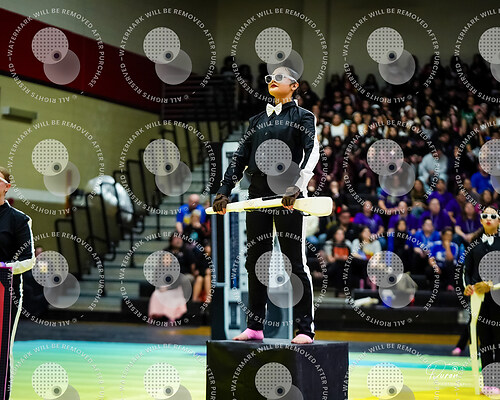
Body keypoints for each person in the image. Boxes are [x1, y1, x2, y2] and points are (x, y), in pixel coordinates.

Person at [213, 66, 320, 344]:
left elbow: (313, 152)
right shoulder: (256, 120)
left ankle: (304, 329)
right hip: (257, 197)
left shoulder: (303, 117)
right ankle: (255, 327)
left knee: (295, 263)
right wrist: (224, 189)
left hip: (289, 198)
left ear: (294, 86)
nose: (272, 80)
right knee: (255, 262)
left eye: (279, 77)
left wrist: (297, 186)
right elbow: (240, 157)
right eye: (270, 77)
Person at [0, 167, 35, 399]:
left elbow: (28, 260)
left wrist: (4, 267)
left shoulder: (19, 220)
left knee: (2, 348)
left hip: (6, 291)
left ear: (7, 187)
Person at [464, 207, 500, 395]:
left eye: (493, 216)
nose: (488, 218)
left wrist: (492, 285)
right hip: (479, 299)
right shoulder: (474, 244)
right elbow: (467, 271)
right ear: (480, 220)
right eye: (484, 215)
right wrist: (468, 286)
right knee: (484, 339)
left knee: (498, 339)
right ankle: (488, 381)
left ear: (499, 221)